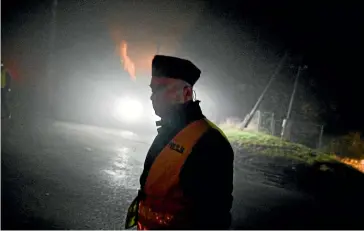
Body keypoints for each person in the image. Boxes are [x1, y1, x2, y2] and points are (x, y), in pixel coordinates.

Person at [125, 55, 234, 230]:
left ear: (186, 93)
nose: (153, 97)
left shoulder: (209, 141)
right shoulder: (169, 130)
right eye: (152, 90)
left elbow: (213, 217)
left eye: (161, 89)